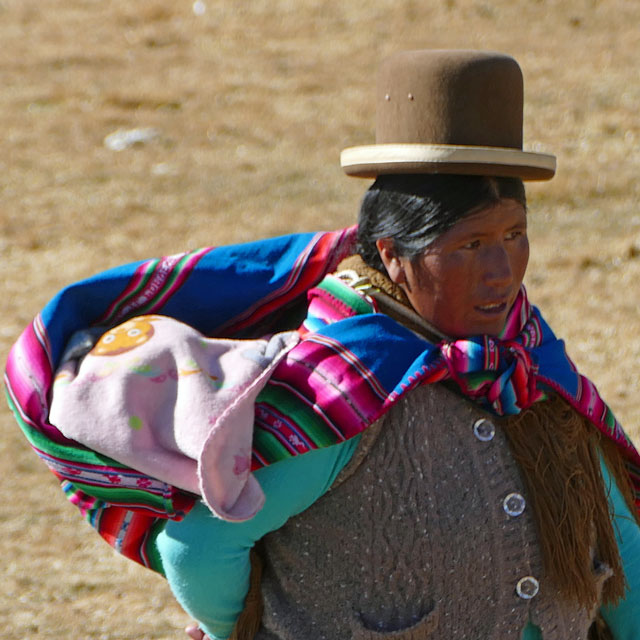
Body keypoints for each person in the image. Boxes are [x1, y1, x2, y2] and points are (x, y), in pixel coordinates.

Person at [5, 50, 640, 640]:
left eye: (514, 236)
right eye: (472, 246)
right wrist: (255, 626)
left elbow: (618, 535)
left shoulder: (532, 364)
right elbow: (196, 546)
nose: (503, 271)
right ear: (393, 255)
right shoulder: (338, 389)